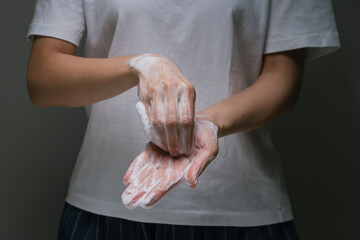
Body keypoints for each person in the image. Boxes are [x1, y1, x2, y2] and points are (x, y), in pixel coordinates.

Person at [27, 0, 340, 239]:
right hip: (105, 208)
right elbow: (42, 80)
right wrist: (139, 65)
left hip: (240, 211)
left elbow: (283, 78)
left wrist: (210, 122)